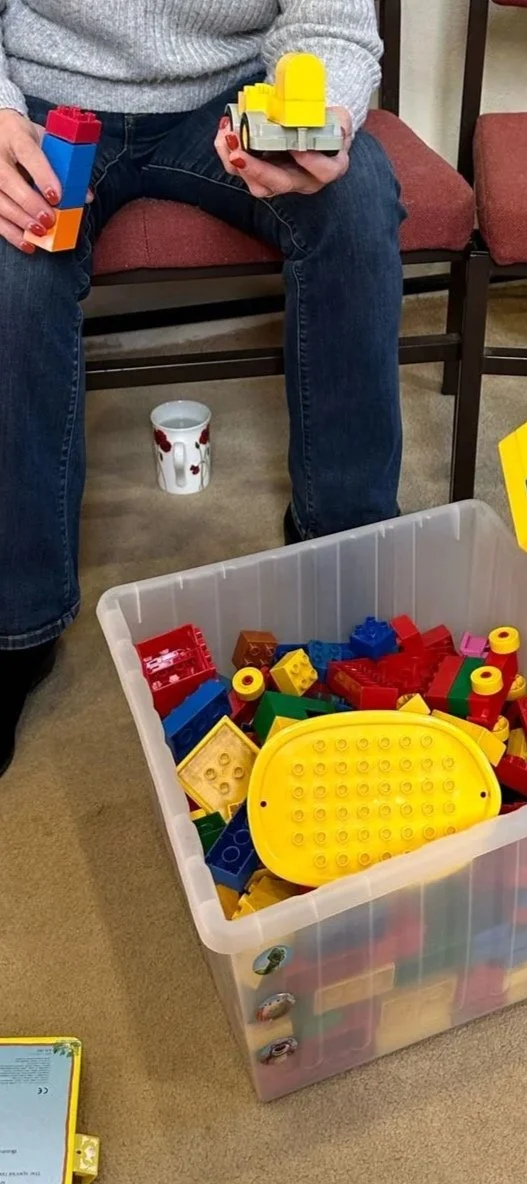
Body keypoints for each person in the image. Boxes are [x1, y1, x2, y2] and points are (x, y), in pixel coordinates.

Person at [0, 1, 404, 777]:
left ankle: (345, 549)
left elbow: (335, 24)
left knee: (354, 204)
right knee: (12, 275)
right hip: (44, 100)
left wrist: (319, 120)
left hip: (234, 96)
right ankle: (19, 619)